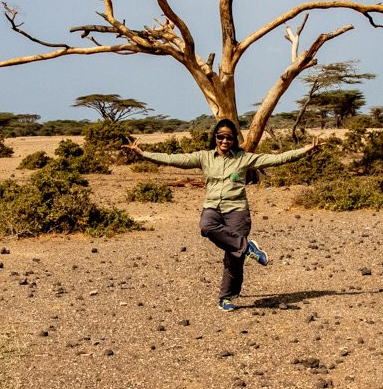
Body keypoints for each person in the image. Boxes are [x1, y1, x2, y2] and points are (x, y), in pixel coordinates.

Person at [123, 118, 318, 311]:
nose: (225, 141)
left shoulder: (243, 158)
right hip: (213, 207)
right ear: (215, 137)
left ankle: (227, 297)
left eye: (229, 138)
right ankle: (247, 247)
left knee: (233, 258)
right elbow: (175, 159)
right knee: (206, 226)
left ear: (234, 139)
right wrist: (143, 154)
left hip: (237, 210)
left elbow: (277, 159)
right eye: (221, 137)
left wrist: (306, 150)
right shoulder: (204, 157)